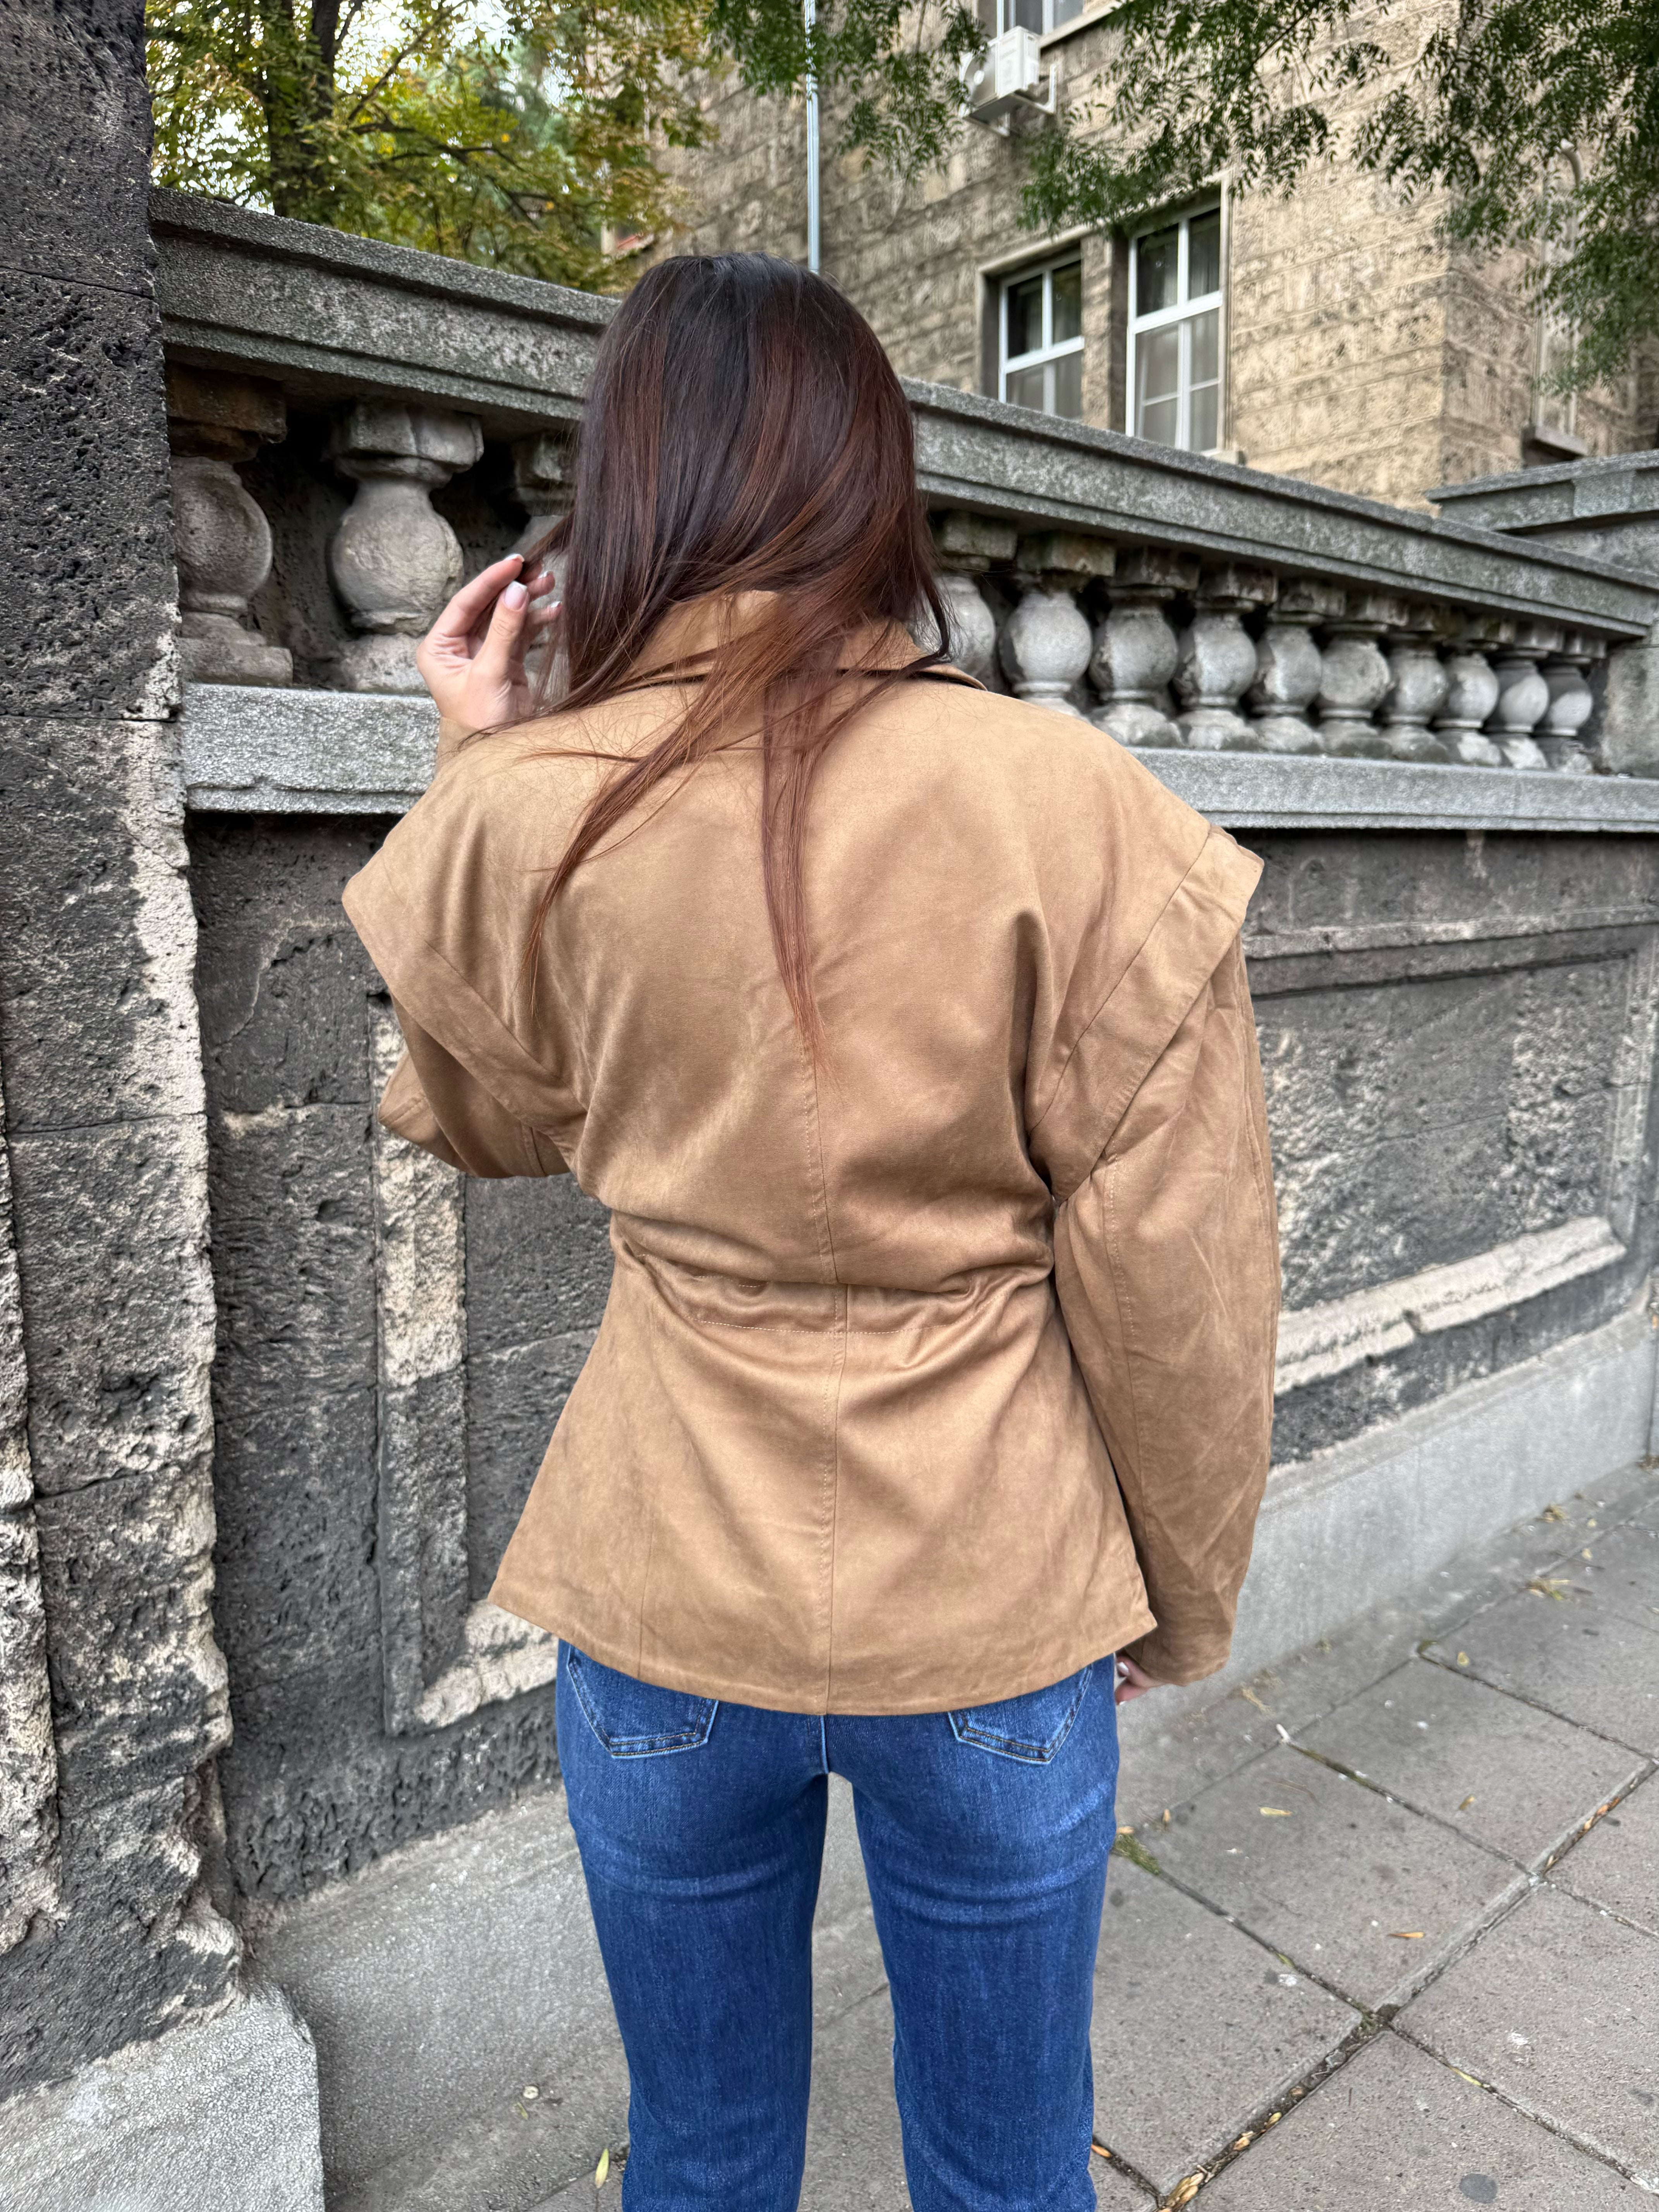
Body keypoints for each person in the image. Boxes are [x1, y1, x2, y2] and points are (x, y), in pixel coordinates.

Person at [343, 252, 1279, 2212]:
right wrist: (1173, 1600)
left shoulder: (537, 810)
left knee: (697, 2157)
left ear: (633, 484)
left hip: (669, 1588)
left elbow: (486, 1121)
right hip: (996, 1589)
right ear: (873, 478)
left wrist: (481, 762)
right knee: (1011, 2173)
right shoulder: (1072, 800)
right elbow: (1181, 1285)